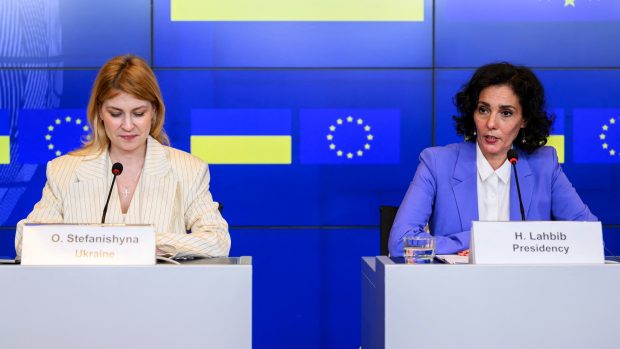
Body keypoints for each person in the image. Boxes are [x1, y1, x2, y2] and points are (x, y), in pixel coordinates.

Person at [15, 54, 230, 258]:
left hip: (162, 295)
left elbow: (218, 240)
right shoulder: (64, 171)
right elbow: (27, 241)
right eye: (115, 114)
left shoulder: (188, 170)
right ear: (99, 112)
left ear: (154, 111)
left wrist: (143, 242)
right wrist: (100, 244)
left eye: (138, 113)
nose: (127, 126)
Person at [388, 62, 597, 256]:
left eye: (506, 113)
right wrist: (476, 242)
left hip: (528, 289)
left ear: (524, 119)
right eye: (483, 110)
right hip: (455, 290)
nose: (491, 123)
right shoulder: (437, 163)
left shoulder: (544, 164)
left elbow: (589, 236)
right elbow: (400, 242)